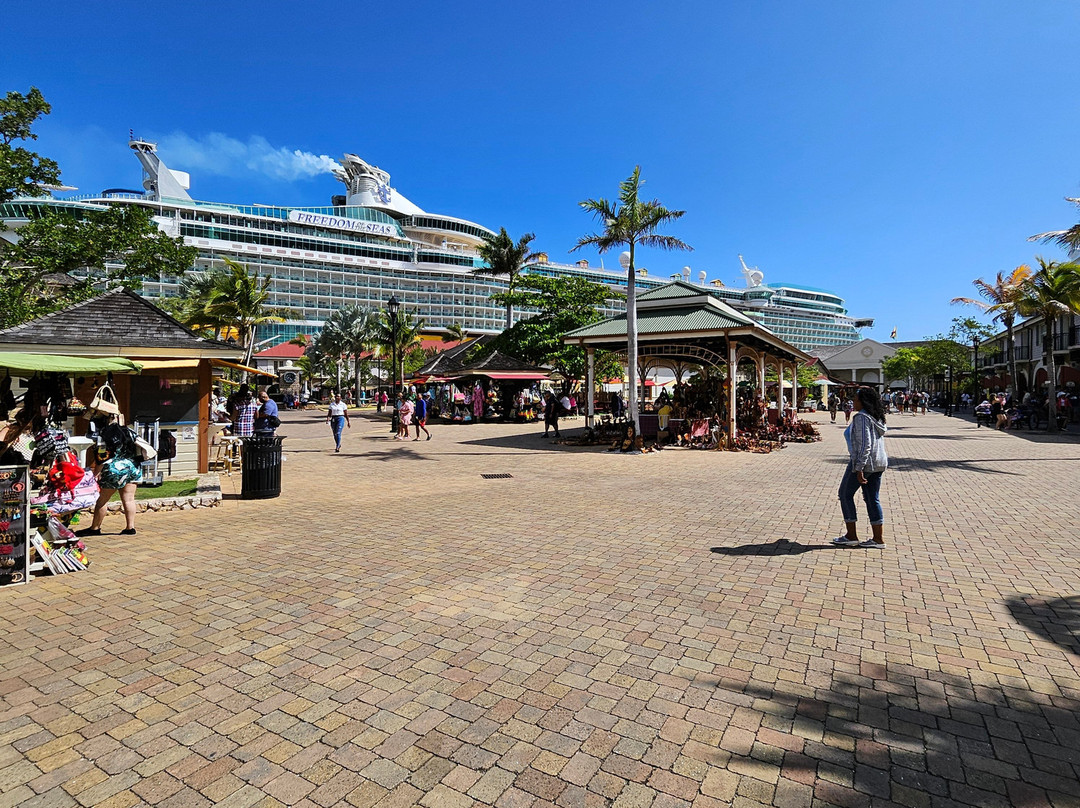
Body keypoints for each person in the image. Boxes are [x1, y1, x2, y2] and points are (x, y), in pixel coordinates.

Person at [831, 387, 888, 549]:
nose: (853, 402)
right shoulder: (876, 417)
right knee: (872, 498)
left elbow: (865, 444)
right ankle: (878, 539)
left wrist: (859, 467)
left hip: (864, 463)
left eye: (855, 399)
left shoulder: (862, 418)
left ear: (863, 401)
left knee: (845, 494)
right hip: (878, 463)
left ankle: (851, 535)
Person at [78, 415, 141, 537]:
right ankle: (130, 527)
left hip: (114, 470)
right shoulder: (130, 432)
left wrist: (95, 473)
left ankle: (95, 528)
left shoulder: (105, 435)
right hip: (132, 467)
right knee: (129, 499)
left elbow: (103, 458)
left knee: (102, 500)